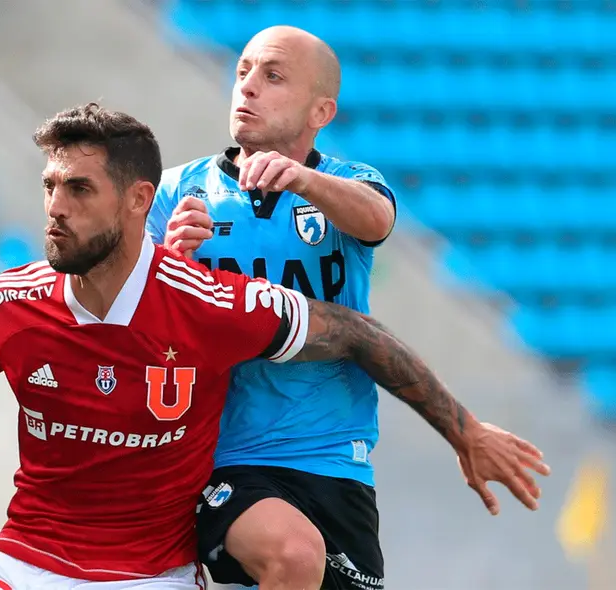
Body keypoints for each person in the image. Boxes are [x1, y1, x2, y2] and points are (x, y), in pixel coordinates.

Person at [0, 104, 548, 590]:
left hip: (151, 575)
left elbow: (356, 332)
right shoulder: (7, 307)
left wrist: (463, 427)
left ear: (137, 202)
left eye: (78, 187)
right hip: (25, 565)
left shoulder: (211, 305)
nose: (54, 205)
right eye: (48, 184)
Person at [147, 25, 494, 590]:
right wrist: (168, 259)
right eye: (242, 72)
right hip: (222, 456)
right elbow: (136, 327)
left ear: (321, 111)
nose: (248, 87)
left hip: (334, 459)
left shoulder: (346, 185)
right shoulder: (175, 193)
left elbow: (377, 219)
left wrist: (304, 181)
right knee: (291, 555)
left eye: (272, 75)